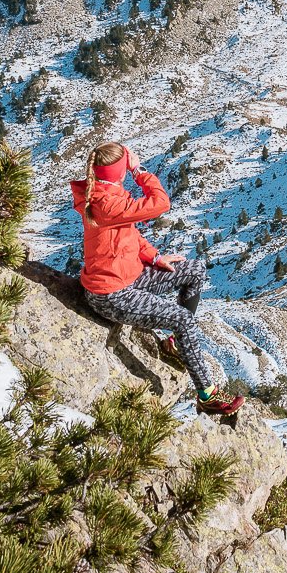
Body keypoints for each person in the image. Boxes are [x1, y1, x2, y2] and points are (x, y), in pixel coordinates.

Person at [71, 139, 243, 419]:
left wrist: (153, 257)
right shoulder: (106, 203)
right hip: (112, 294)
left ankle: (175, 343)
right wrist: (139, 171)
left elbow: (128, 233)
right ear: (120, 170)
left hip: (129, 275)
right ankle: (207, 396)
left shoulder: (106, 195)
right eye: (125, 165)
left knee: (194, 270)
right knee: (183, 318)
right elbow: (160, 203)